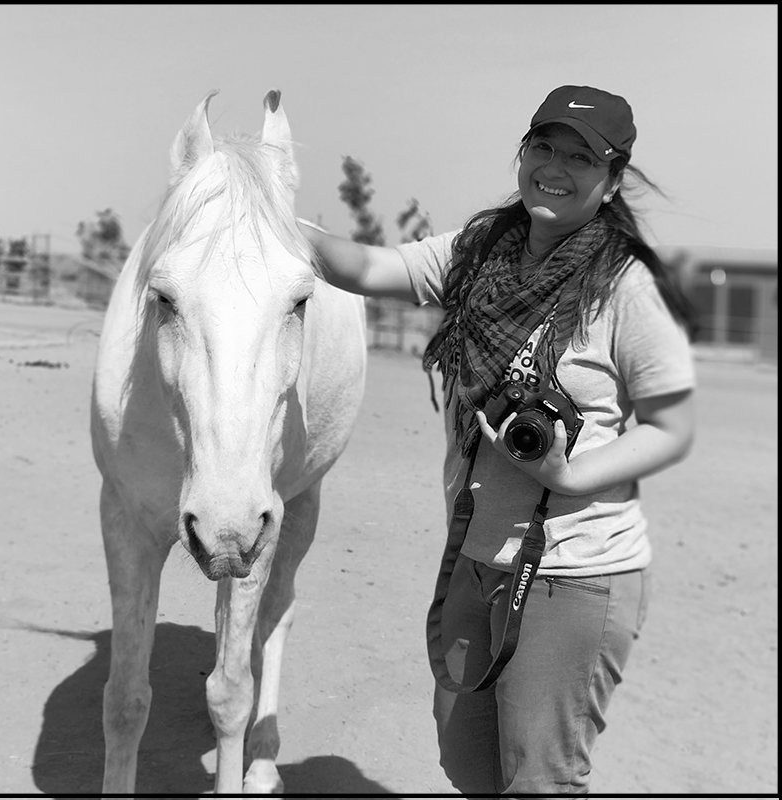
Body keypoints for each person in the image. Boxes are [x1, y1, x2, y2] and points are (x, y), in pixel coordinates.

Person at [297, 84, 696, 795]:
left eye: (581, 158)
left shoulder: (624, 287)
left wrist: (570, 474)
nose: (556, 166)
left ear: (610, 181)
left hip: (575, 572)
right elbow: (362, 268)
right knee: (467, 764)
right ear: (523, 153)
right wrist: (266, 210)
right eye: (544, 146)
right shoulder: (477, 253)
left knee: (539, 780)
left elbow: (673, 427)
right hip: (477, 560)